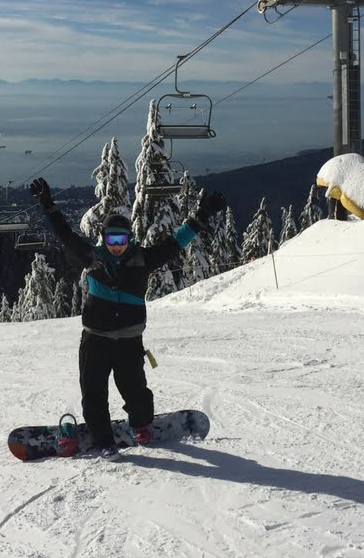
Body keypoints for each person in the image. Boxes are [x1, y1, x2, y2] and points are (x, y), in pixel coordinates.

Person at [28, 177, 227, 461]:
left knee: (137, 394)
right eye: (111, 239)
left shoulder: (143, 259)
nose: (117, 245)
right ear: (104, 239)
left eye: (121, 239)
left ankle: (142, 426)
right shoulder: (92, 258)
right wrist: (47, 205)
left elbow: (176, 242)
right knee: (93, 394)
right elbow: (64, 235)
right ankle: (104, 441)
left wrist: (202, 214)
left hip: (129, 342)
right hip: (95, 340)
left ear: (129, 239)